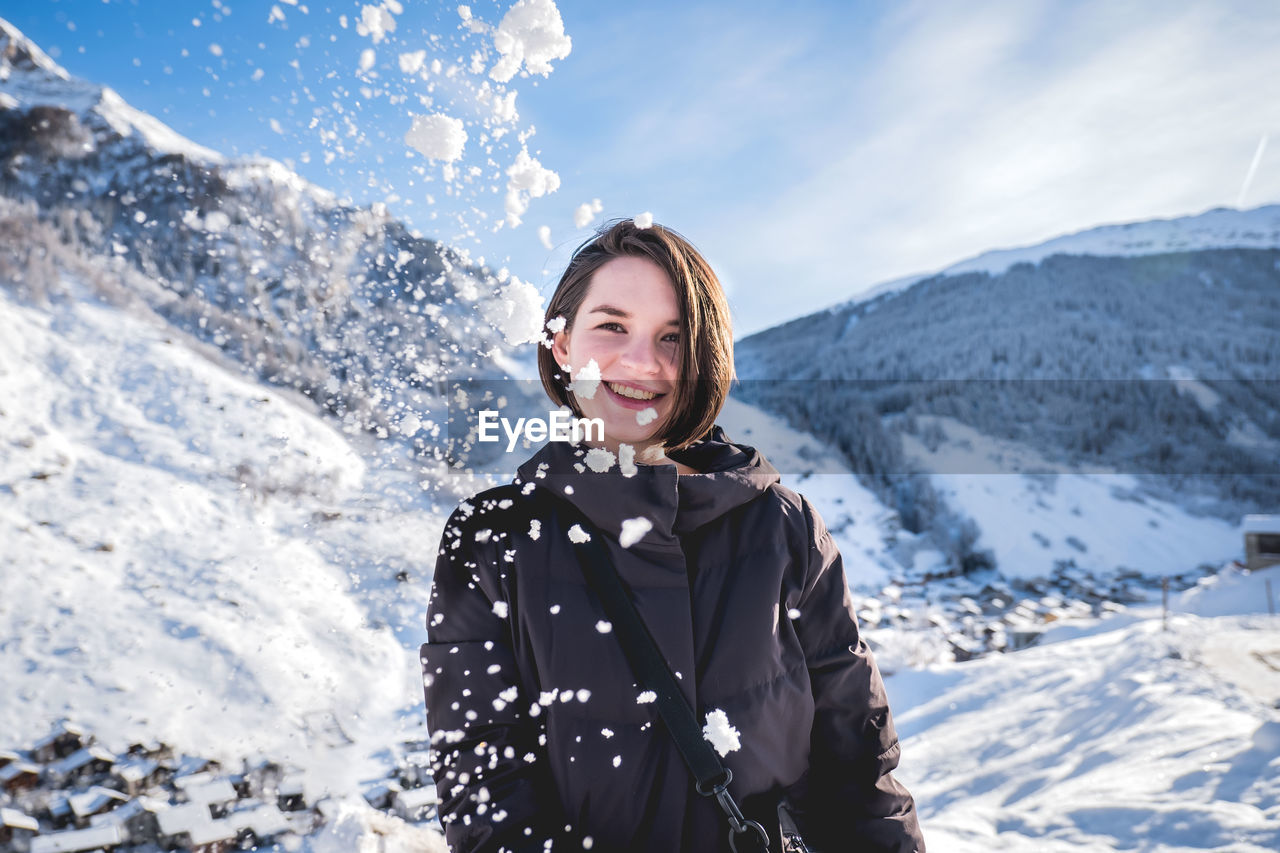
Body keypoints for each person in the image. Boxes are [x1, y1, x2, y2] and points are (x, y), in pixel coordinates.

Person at [421, 219, 925, 852]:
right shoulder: (491, 539)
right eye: (611, 326)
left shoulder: (781, 525)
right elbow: (483, 785)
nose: (643, 362)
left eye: (673, 337)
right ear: (560, 345)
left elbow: (859, 761)